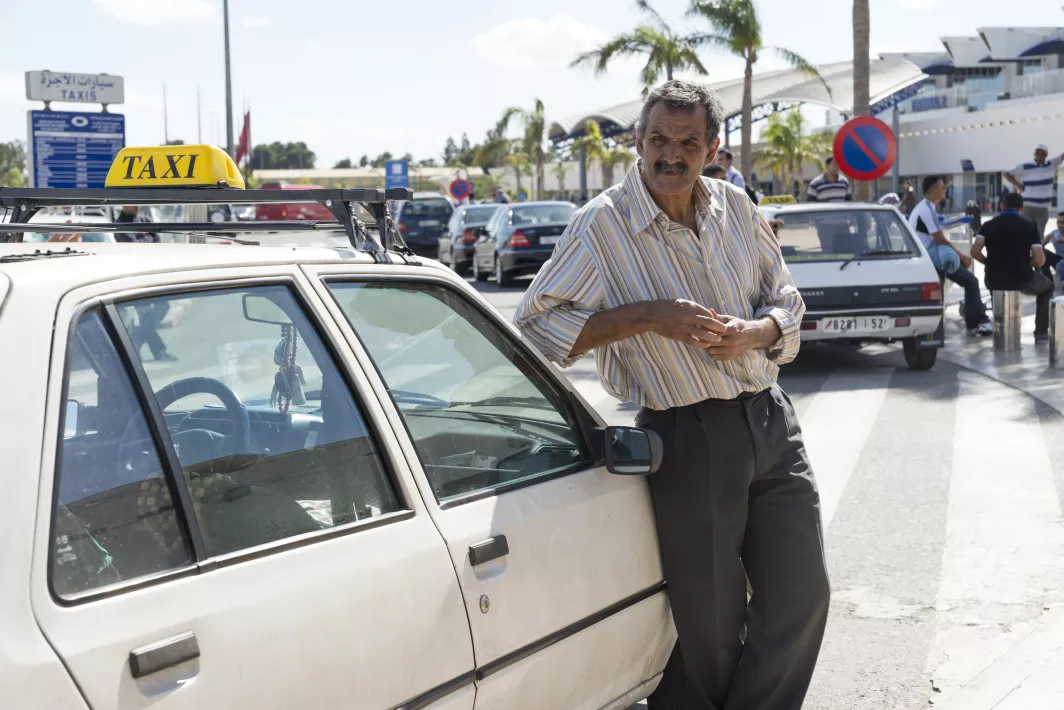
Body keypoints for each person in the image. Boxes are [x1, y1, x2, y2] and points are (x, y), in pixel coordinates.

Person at [515, 79, 828, 710]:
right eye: (658, 139)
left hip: (771, 422)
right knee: (710, 626)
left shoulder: (737, 208)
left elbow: (786, 301)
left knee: (803, 595)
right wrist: (649, 315)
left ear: (713, 148)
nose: (671, 154)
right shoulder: (602, 225)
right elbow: (535, 325)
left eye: (688, 142)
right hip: (687, 437)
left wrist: (757, 331)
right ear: (638, 142)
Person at [910, 175, 993, 336]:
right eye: (942, 187)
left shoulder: (926, 207)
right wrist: (962, 257)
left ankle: (980, 319)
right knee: (971, 282)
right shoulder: (926, 209)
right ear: (934, 189)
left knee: (970, 282)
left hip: (932, 257)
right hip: (933, 259)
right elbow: (939, 238)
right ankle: (975, 323)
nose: (945, 190)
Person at [970, 192, 1054, 343]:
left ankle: (1000, 329)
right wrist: (1034, 264)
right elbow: (1040, 259)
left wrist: (989, 263)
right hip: (1023, 279)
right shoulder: (1030, 226)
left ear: (1002, 207)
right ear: (1021, 209)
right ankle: (1041, 334)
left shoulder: (988, 225)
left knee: (996, 291)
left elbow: (975, 252)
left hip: (993, 279)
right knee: (1047, 288)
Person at [1003, 143, 1064, 238]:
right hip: (1028, 207)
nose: (1040, 155)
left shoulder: (1051, 164)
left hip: (1043, 209)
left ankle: (1036, 253)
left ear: (1046, 155)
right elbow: (1007, 174)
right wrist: (1019, 185)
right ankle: (1024, 252)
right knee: (1025, 234)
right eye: (1037, 153)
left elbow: (1062, 156)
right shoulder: (1025, 166)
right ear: (1034, 154)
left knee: (1039, 236)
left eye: (1042, 153)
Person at [1040, 211, 1064, 284]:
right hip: (1059, 259)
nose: (1060, 225)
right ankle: (1048, 283)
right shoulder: (1055, 233)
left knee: (1060, 265)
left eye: (1063, 222)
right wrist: (1044, 242)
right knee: (1042, 252)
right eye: (1058, 222)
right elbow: (1040, 246)